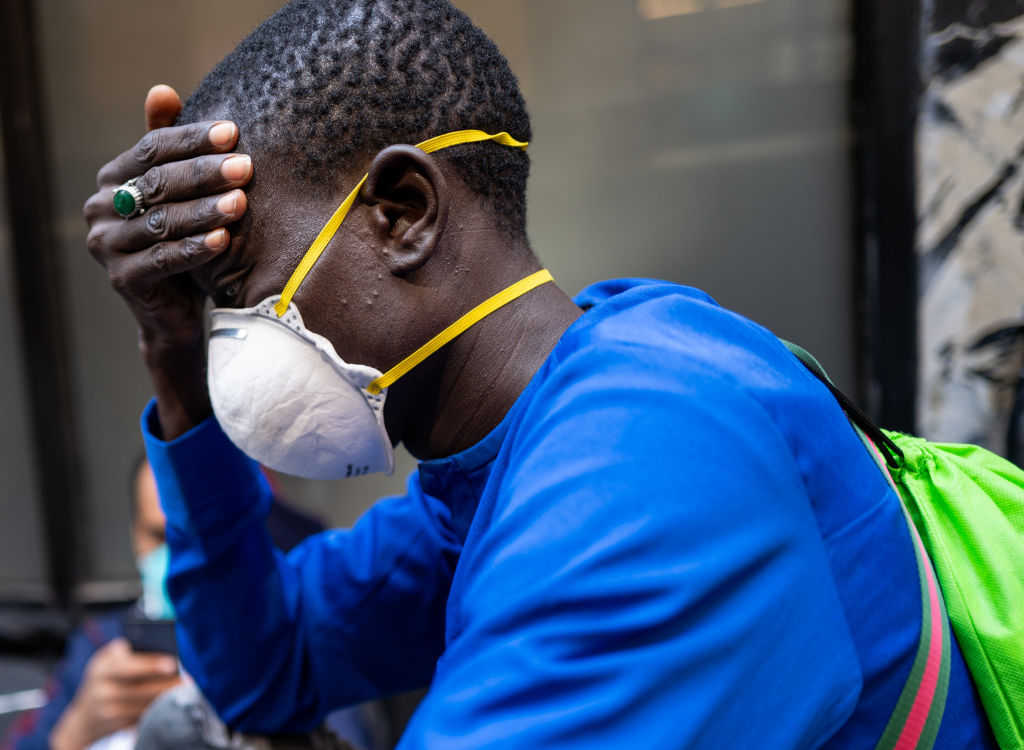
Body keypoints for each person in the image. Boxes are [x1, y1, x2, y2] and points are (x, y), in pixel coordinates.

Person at [82, 0, 997, 747]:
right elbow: (265, 668)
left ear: (403, 214)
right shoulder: (514, 442)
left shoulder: (646, 460)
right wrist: (172, 349)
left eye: (241, 289)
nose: (233, 338)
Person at [2, 458, 380, 750]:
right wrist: (80, 726)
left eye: (192, 538)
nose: (176, 559)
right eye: (157, 535)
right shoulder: (101, 644)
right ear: (134, 535)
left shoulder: (296, 639)